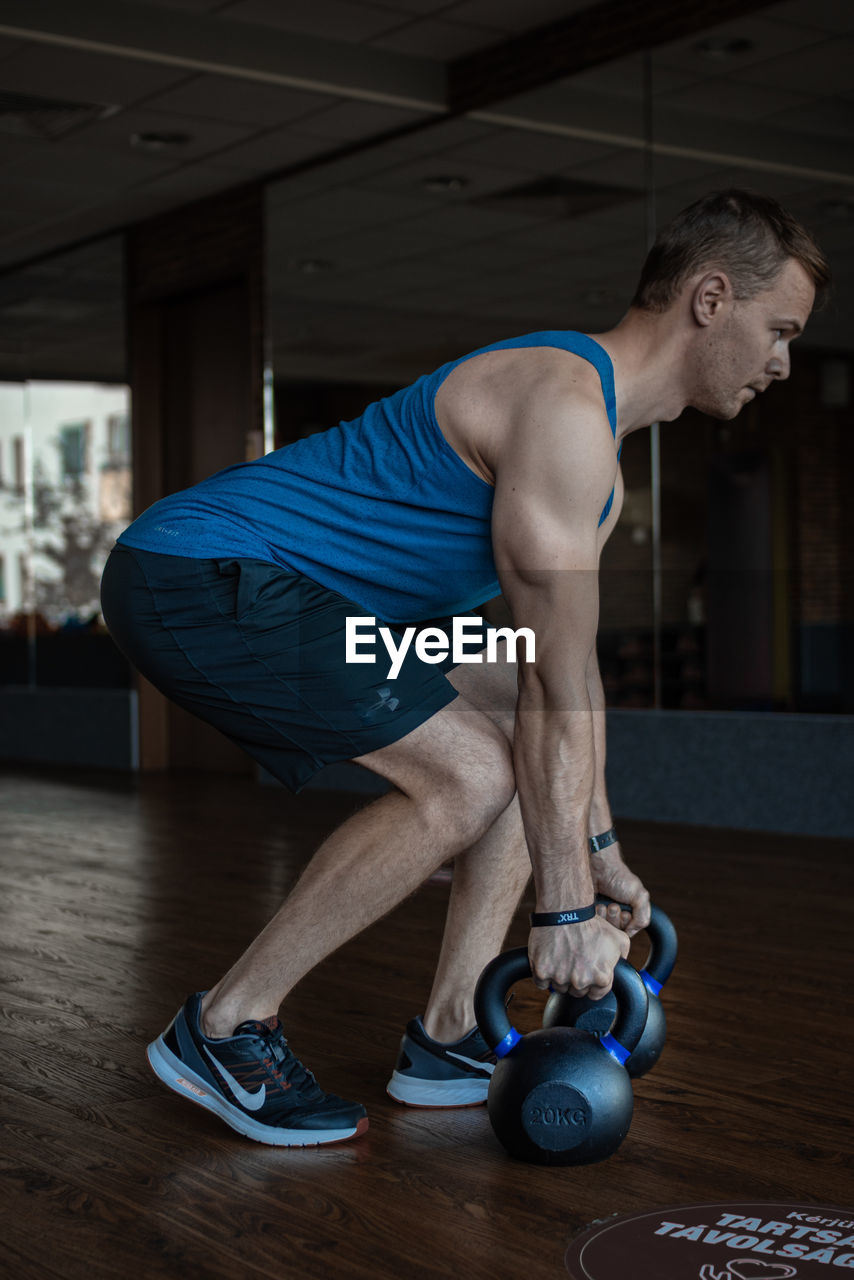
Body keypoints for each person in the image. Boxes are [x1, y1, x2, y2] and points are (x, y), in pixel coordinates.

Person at [100, 188, 829, 1147]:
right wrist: (562, 909)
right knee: (476, 770)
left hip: (306, 602)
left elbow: (549, 670)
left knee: (520, 745)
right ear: (709, 297)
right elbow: (551, 693)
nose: (782, 364)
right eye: (778, 330)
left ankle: (449, 1036)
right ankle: (227, 1024)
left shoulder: (595, 450)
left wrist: (601, 861)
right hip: (205, 574)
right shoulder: (564, 414)